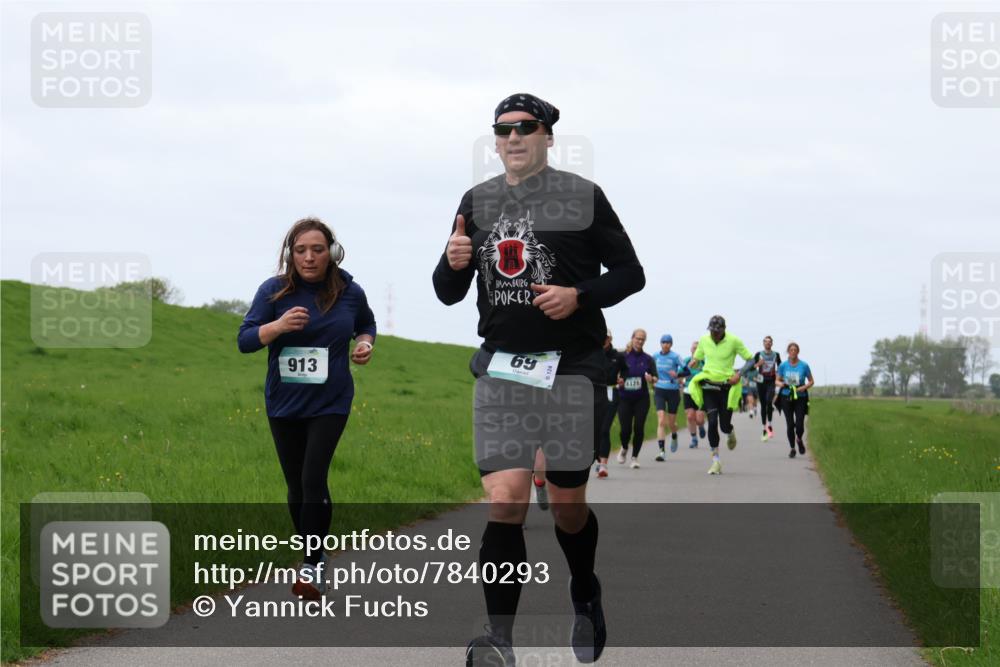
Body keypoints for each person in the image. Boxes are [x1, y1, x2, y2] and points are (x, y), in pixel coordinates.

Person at [432, 93, 644, 666]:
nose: (513, 138)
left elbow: (631, 273)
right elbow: (448, 293)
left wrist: (579, 295)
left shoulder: (583, 197)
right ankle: (498, 639)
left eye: (526, 128)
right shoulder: (475, 203)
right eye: (502, 130)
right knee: (505, 501)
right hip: (502, 367)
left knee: (570, 506)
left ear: (549, 135)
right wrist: (451, 264)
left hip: (573, 368)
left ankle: (584, 591)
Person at [238, 217, 375, 600]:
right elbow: (245, 340)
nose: (309, 257)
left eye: (317, 249)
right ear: (289, 254)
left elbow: (366, 324)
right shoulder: (273, 291)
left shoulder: (349, 290)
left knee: (314, 477)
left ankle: (313, 565)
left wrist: (365, 344)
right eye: (301, 250)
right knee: (296, 485)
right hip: (284, 402)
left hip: (330, 401)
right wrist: (277, 326)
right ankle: (314, 552)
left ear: (331, 253)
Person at [687, 316, 752, 475]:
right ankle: (715, 461)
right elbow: (699, 355)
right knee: (712, 421)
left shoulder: (734, 341)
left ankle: (730, 432)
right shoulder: (704, 339)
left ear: (724, 329)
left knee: (723, 425)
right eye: (712, 331)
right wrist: (694, 361)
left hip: (726, 386)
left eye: (717, 331)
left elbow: (750, 360)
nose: (714, 334)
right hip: (709, 385)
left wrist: (739, 374)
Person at [617, 328, 657, 469]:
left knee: (639, 427)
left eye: (642, 339)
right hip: (624, 398)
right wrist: (617, 379)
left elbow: (655, 378)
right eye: (638, 338)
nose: (639, 341)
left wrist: (651, 378)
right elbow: (613, 373)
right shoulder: (622, 356)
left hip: (641, 398)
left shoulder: (648, 359)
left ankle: (634, 457)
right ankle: (624, 447)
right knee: (625, 429)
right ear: (632, 338)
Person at [596, 331, 627, 478]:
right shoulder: (593, 353)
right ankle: (596, 458)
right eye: (601, 337)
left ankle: (603, 464)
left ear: (610, 338)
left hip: (611, 393)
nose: (604, 340)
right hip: (593, 392)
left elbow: (626, 370)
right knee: (593, 429)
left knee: (604, 429)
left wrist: (622, 379)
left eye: (606, 337)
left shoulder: (617, 356)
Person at [776, 342, 814, 458]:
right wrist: (781, 384)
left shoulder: (804, 365)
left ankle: (799, 439)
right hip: (786, 395)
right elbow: (776, 380)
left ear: (798, 352)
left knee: (799, 424)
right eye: (791, 350)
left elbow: (811, 381)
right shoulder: (783, 365)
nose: (793, 352)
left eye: (795, 350)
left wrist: (804, 387)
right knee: (790, 424)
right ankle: (792, 448)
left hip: (800, 396)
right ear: (788, 352)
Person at [652, 334, 683, 460]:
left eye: (668, 342)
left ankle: (674, 434)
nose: (666, 344)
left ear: (671, 344)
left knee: (671, 423)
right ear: (660, 343)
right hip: (659, 389)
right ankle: (662, 452)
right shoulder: (655, 356)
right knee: (661, 420)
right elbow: (649, 370)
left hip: (673, 391)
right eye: (663, 342)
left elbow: (686, 369)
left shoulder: (675, 357)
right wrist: (650, 377)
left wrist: (677, 375)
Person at [753, 336, 782, 441]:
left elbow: (781, 367)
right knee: (763, 405)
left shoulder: (776, 355)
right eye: (766, 342)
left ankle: (769, 425)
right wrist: (758, 364)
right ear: (763, 343)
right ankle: (763, 428)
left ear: (772, 344)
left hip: (771, 381)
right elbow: (752, 367)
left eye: (769, 342)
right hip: (760, 382)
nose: (768, 344)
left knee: (769, 401)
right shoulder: (758, 354)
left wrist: (779, 376)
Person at [679, 341, 706, 448]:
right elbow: (679, 375)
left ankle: (701, 426)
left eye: (697, 348)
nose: (695, 350)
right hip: (688, 391)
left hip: (700, 392)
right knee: (690, 416)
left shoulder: (704, 363)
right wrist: (688, 368)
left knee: (699, 419)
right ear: (691, 350)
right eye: (693, 348)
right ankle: (694, 438)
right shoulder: (686, 361)